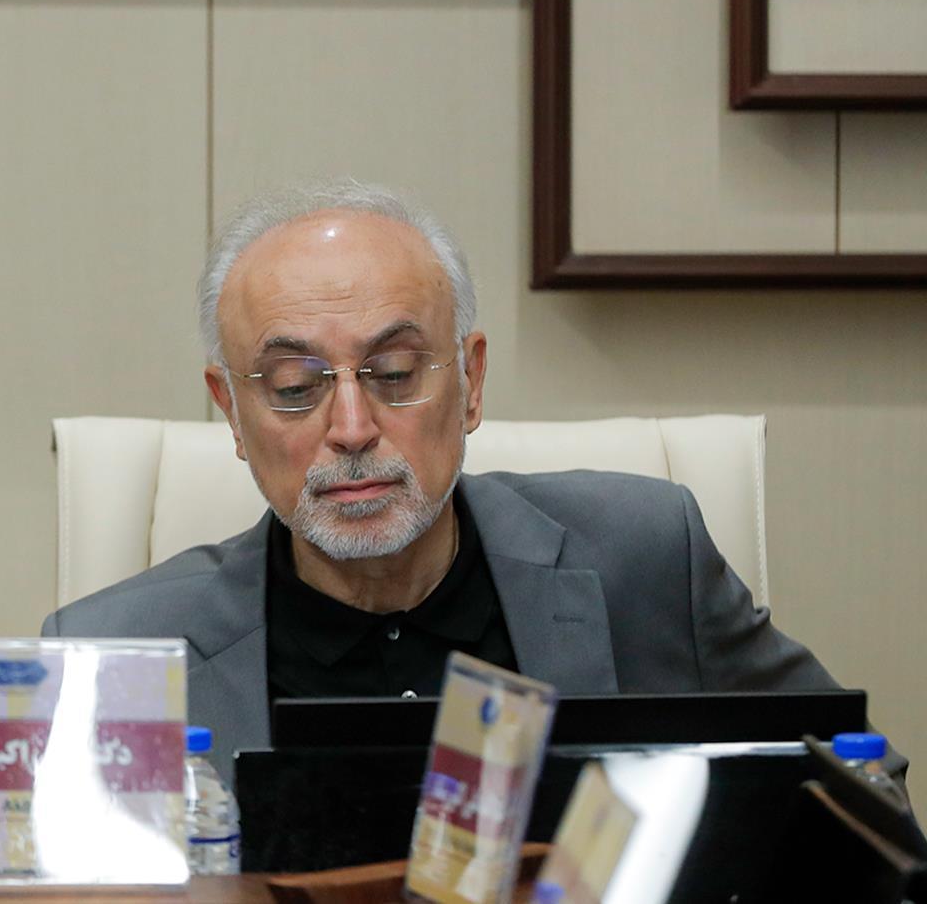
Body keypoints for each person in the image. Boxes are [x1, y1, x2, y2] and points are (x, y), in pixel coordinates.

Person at [44, 178, 879, 781]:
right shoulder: (111, 654)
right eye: (296, 387)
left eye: (394, 372)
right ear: (231, 409)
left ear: (471, 382)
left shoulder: (646, 559)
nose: (352, 428)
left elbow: (863, 785)